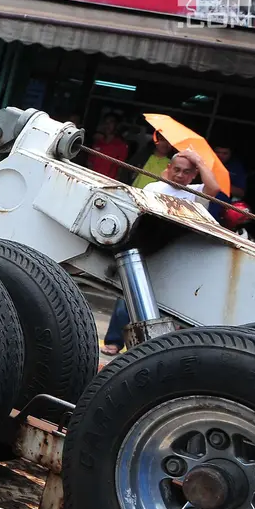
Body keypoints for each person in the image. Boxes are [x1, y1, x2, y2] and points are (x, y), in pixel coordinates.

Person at [101, 150, 220, 356]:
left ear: (193, 175)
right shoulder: (154, 187)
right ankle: (114, 341)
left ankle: (147, 347)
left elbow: (214, 188)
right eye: (177, 170)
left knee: (166, 304)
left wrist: (199, 160)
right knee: (127, 297)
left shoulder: (195, 192)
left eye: (186, 172)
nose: (180, 175)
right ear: (169, 169)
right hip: (145, 247)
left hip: (175, 253)